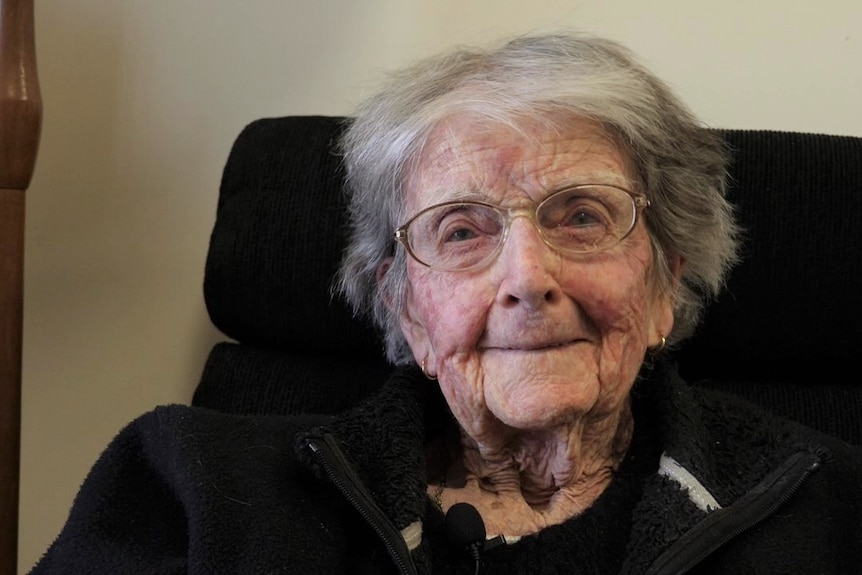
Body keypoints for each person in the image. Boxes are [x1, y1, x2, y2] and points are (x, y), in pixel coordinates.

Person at [30, 32, 862, 574]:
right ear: (405, 307)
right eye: (462, 230)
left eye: (582, 215)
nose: (527, 275)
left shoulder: (833, 513)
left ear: (661, 287)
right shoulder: (195, 485)